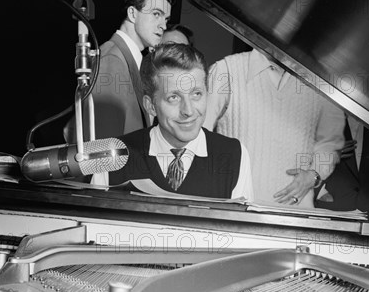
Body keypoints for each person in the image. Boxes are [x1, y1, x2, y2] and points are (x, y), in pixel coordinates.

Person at [92, 43, 254, 200]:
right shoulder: (111, 156)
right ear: (151, 106)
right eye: (173, 98)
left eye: (196, 94)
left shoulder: (235, 156)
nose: (188, 111)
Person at [204, 48, 345, 207]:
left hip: (295, 216)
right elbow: (198, 136)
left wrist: (315, 174)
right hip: (235, 212)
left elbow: (331, 142)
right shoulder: (226, 70)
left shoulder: (321, 80)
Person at [63, 0, 175, 142]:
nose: (163, 25)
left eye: (166, 19)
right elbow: (100, 150)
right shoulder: (112, 61)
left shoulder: (127, 60)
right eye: (156, 14)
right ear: (132, 14)